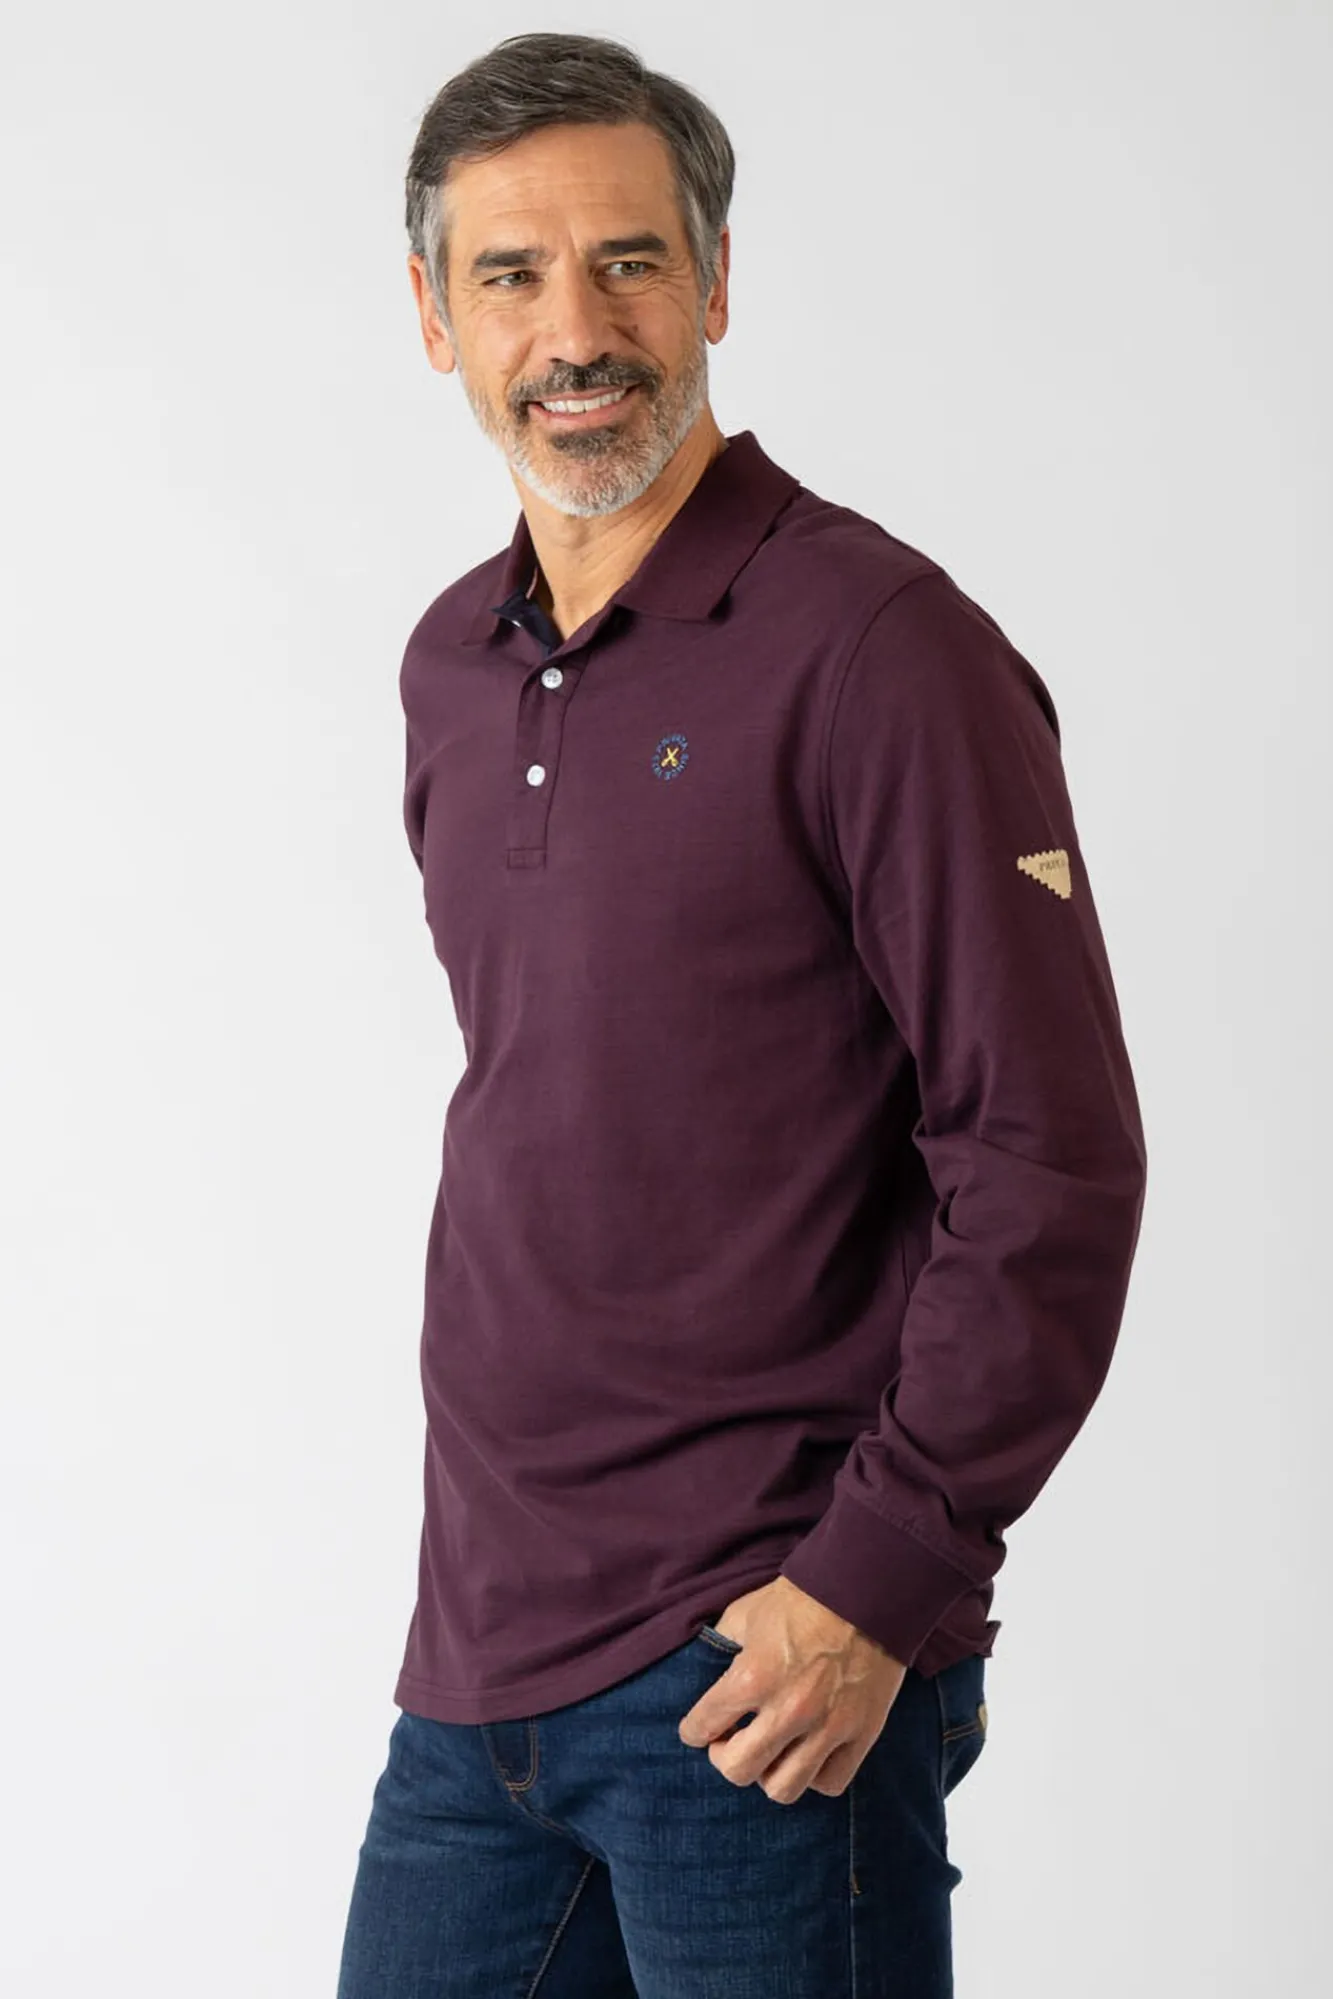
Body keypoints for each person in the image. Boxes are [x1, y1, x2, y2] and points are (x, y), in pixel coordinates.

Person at [335, 29, 1148, 1999]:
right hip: (477, 1678)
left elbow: (1049, 1157)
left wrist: (877, 1583)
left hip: (763, 1672)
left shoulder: (882, 651)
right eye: (512, 275)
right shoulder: (453, 668)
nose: (576, 330)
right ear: (435, 319)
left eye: (629, 261)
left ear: (713, 284)